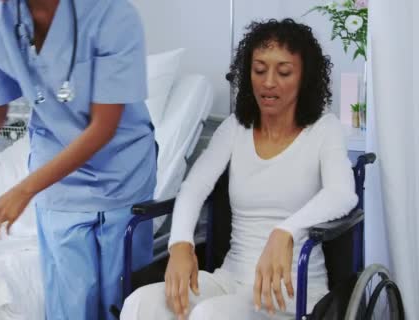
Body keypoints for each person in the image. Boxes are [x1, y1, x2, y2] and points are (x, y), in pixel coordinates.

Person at [0, 0, 156, 319]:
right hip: (58, 178)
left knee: (123, 301)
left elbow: (103, 127)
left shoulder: (111, 16)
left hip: (122, 168)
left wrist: (23, 190)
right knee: (70, 304)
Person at [120, 18, 358, 320]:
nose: (268, 82)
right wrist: (180, 243)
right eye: (259, 69)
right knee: (140, 303)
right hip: (228, 281)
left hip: (290, 291)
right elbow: (194, 187)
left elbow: (342, 193)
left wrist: (285, 231)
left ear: (304, 78)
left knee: (209, 315)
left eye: (283, 71)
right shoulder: (236, 128)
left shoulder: (324, 129)